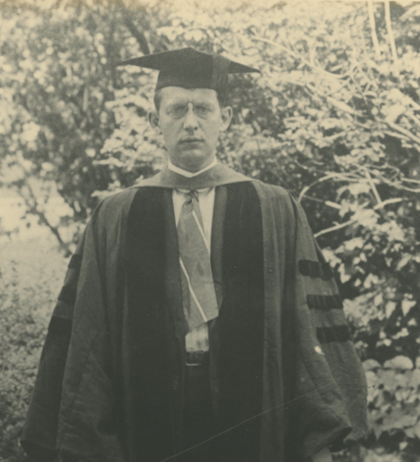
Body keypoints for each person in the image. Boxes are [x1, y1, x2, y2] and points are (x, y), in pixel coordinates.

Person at [21, 48, 368, 462]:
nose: (190, 123)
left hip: (254, 412)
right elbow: (88, 334)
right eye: (176, 110)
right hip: (146, 413)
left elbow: (307, 325)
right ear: (155, 121)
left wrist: (317, 434)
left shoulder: (275, 208)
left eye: (203, 108)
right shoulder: (116, 214)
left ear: (226, 119)